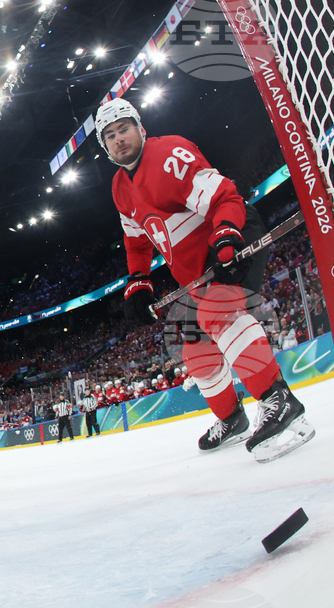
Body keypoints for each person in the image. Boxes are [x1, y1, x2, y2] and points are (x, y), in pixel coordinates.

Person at [96, 97, 314, 461]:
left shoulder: (169, 154)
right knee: (196, 347)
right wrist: (138, 282)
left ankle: (280, 401)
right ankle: (232, 418)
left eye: (124, 129)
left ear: (141, 129)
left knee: (218, 311)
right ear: (105, 148)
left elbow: (224, 196)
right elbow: (136, 241)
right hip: (197, 272)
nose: (119, 139)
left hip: (231, 238)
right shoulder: (120, 188)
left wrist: (227, 234)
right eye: (111, 135)